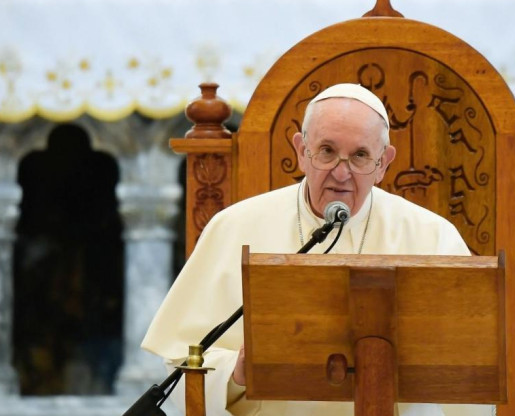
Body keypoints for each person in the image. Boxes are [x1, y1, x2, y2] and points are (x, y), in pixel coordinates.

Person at [141, 84, 493, 416]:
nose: (341, 173)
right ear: (301, 151)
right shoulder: (234, 227)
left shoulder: (431, 238)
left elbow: (474, 367)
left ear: (383, 163)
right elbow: (185, 361)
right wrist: (237, 371)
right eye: (327, 151)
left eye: (359, 156)